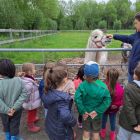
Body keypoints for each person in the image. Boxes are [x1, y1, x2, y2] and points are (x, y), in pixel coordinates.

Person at [74, 61, 111, 140]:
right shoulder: (103, 86)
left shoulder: (82, 85)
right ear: (98, 74)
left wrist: (83, 111)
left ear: (85, 75)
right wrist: (98, 111)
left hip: (86, 113)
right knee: (96, 132)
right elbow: (107, 100)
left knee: (86, 132)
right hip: (97, 114)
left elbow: (77, 98)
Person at [42, 65, 76, 140]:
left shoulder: (47, 91)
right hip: (61, 131)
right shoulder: (63, 98)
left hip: (51, 125)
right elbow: (65, 116)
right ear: (64, 80)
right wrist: (73, 121)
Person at [107, 12, 140, 82]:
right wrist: (114, 36)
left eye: (136, 23)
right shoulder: (136, 36)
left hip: (138, 75)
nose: (135, 25)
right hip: (132, 73)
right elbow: (127, 38)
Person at [0, 59, 28, 140]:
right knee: (15, 124)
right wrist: (14, 108)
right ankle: (13, 138)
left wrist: (7, 110)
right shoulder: (19, 81)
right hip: (17, 110)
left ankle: (7, 137)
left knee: (6, 124)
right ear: (13, 69)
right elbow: (24, 94)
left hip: (4, 111)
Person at [117, 62, 140, 140]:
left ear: (135, 75)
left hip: (127, 122)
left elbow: (128, 107)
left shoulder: (129, 88)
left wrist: (134, 124)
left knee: (122, 137)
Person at [100, 68, 124, 140]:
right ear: (117, 77)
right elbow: (122, 100)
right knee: (113, 121)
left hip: (104, 108)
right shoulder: (120, 89)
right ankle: (112, 134)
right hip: (114, 110)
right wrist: (117, 105)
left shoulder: (103, 86)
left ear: (107, 77)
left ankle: (103, 132)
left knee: (103, 119)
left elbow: (101, 98)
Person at [21, 63, 41, 133]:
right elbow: (26, 95)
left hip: (33, 101)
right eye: (34, 69)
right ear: (29, 71)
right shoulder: (28, 83)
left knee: (33, 111)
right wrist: (27, 102)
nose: (35, 70)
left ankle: (33, 118)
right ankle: (30, 125)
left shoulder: (30, 78)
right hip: (30, 102)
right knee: (31, 113)